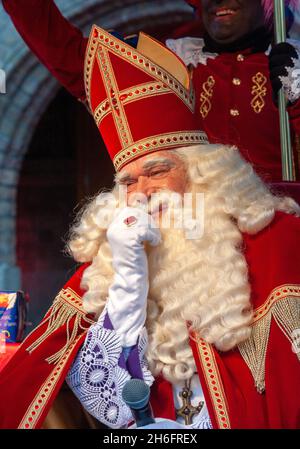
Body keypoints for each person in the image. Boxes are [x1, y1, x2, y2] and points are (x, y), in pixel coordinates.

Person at [0, 24, 299, 430]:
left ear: (204, 174)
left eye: (158, 171)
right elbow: (106, 402)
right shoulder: (107, 265)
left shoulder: (278, 240)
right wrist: (127, 280)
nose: (141, 191)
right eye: (127, 181)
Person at [1, 0, 300, 182]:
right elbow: (73, 58)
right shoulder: (170, 61)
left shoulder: (293, 64)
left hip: (277, 239)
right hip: (193, 242)